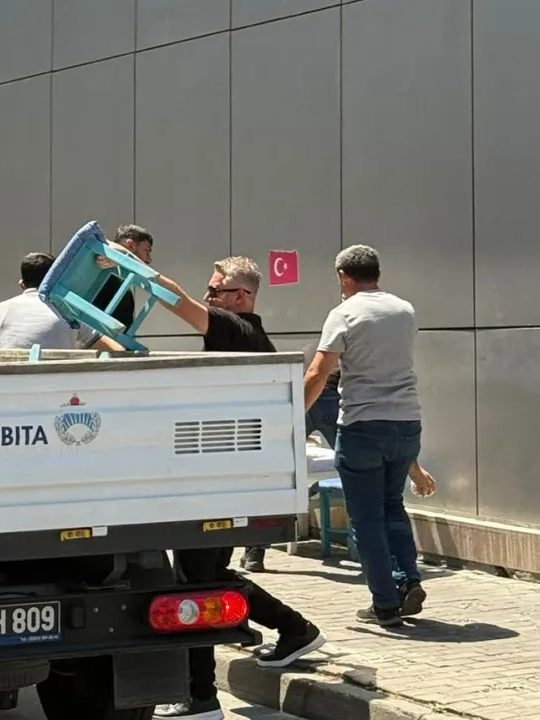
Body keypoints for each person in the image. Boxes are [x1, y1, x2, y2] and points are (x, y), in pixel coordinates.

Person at [95, 251, 324, 720]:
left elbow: (179, 301)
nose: (208, 296)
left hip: (222, 486)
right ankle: (296, 630)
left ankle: (200, 698)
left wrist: (134, 266)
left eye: (215, 290)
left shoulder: (237, 330)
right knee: (207, 579)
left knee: (196, 587)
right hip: (228, 482)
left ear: (240, 296)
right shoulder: (245, 338)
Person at [302, 245, 424, 628]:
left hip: (363, 426)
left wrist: (291, 414)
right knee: (392, 505)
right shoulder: (404, 310)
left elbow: (319, 372)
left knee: (367, 517)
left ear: (343, 276)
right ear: (378, 273)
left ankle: (384, 604)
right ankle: (408, 579)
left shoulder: (344, 313)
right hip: (407, 423)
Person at [0, 252, 124, 352]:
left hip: (8, 379)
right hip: (57, 379)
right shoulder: (68, 311)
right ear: (55, 281)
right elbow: (117, 350)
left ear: (22, 285)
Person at [90, 224, 155, 329]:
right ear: (130, 245)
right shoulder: (119, 289)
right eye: (146, 251)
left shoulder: (95, 256)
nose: (149, 260)